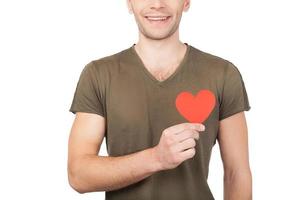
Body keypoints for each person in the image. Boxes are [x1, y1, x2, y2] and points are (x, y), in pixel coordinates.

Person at [67, 0, 252, 199]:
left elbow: (236, 174)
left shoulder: (222, 74)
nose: (156, 4)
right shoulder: (98, 75)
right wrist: (156, 158)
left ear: (186, 2)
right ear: (129, 3)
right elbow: (79, 175)